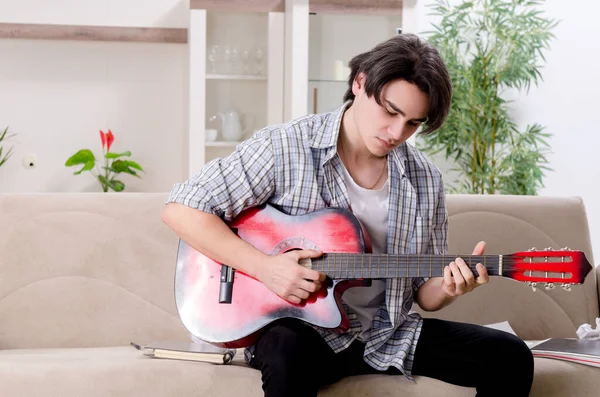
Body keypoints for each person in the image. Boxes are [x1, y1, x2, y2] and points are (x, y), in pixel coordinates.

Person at [161, 34, 534, 397]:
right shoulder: (286, 146)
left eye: (413, 123)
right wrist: (265, 268)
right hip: (305, 333)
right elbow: (182, 209)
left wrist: (450, 287)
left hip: (389, 334)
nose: (396, 132)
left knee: (511, 357)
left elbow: (424, 294)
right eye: (390, 111)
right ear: (359, 83)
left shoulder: (425, 178)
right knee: (285, 350)